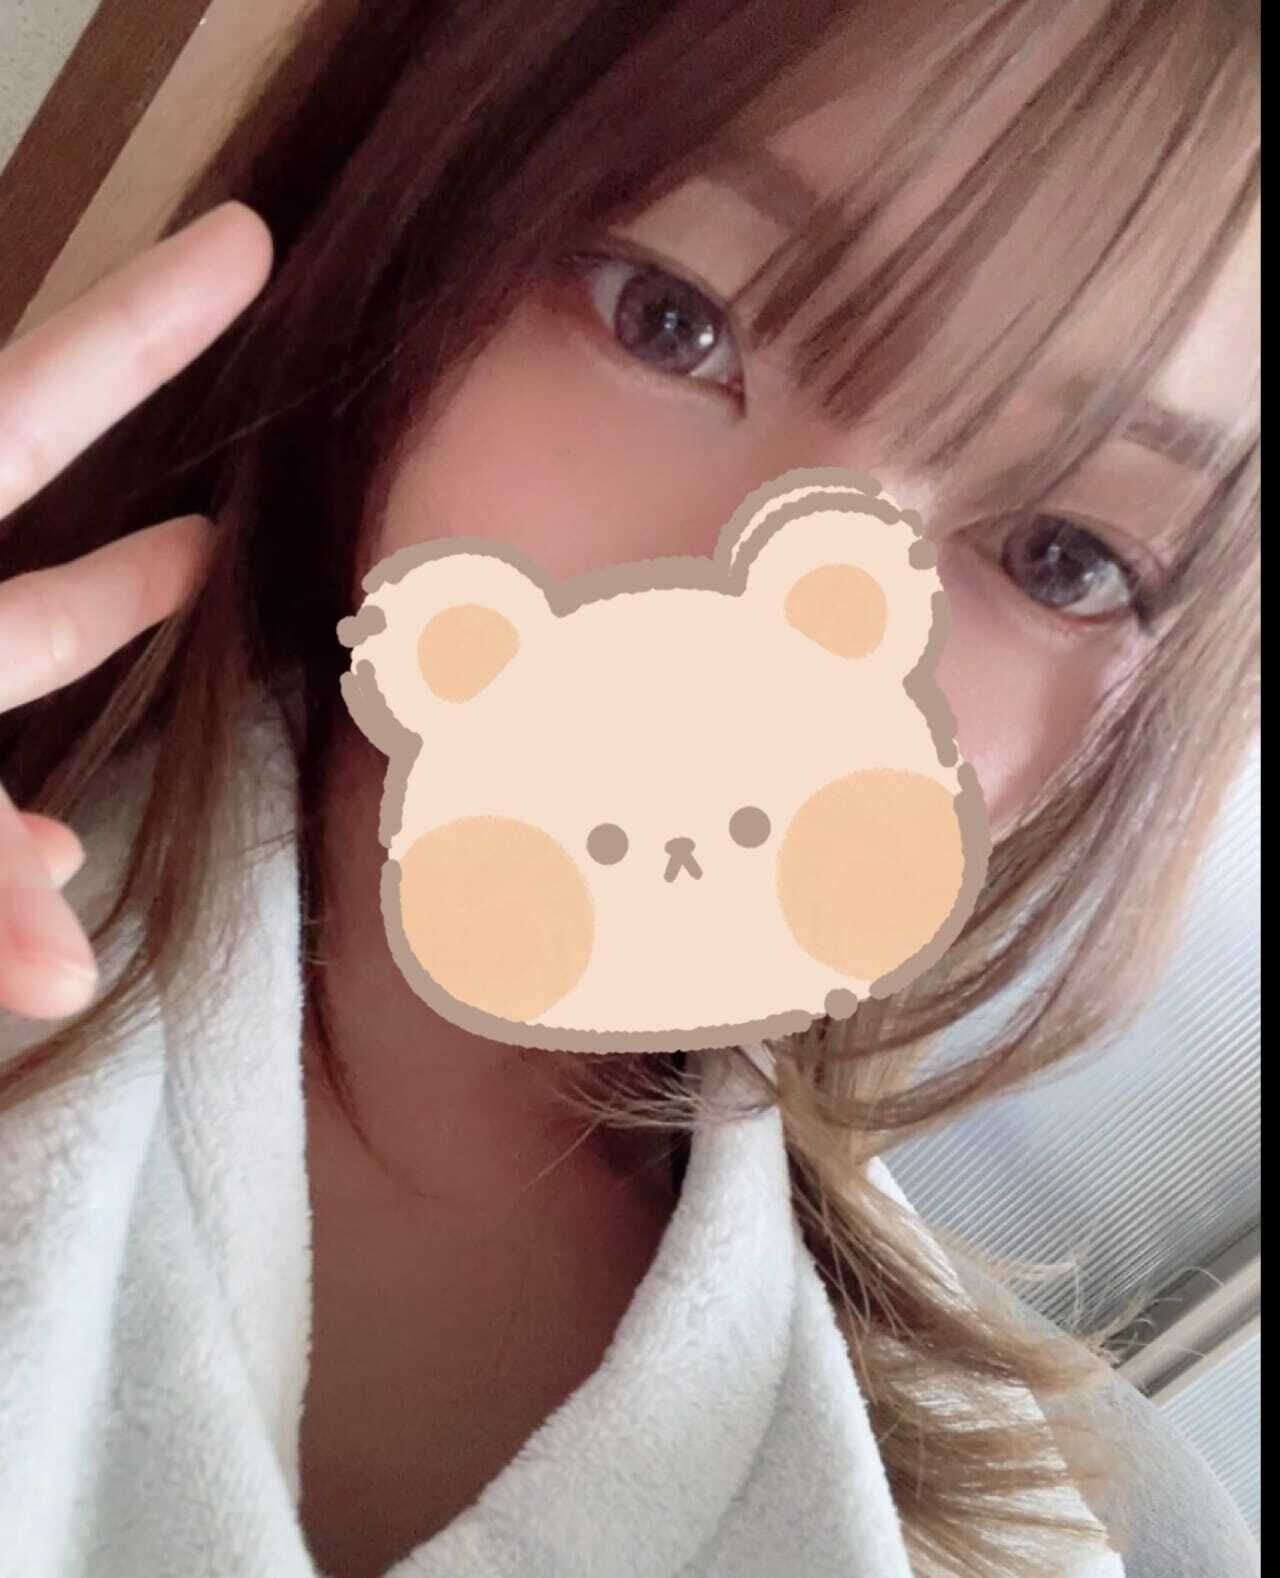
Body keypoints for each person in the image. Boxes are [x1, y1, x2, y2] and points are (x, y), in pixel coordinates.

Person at [0, 3, 1259, 1576]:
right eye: (672, 322)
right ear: (434, 222)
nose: (762, 641)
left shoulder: (1043, 1519)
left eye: (1058, 557)